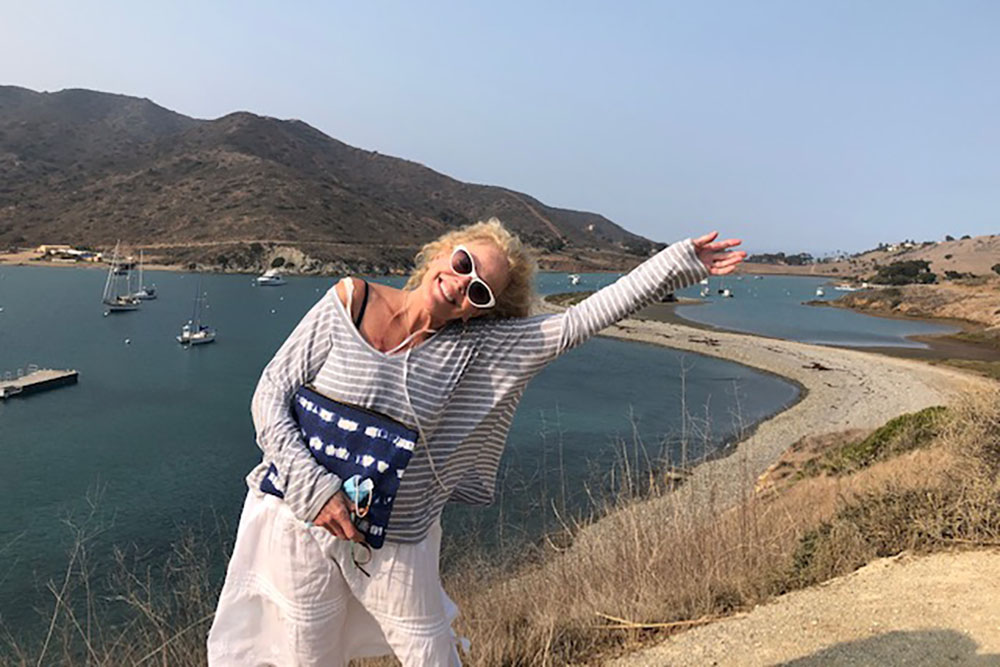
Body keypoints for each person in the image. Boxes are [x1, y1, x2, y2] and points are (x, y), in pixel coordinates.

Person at [207, 219, 745, 666]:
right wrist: (314, 487)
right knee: (307, 654)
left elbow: (580, 320)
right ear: (443, 251)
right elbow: (270, 394)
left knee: (429, 652)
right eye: (463, 263)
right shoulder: (350, 299)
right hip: (300, 524)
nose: (462, 282)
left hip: (394, 540)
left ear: (483, 309)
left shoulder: (482, 349)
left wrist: (679, 262)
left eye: (480, 290)